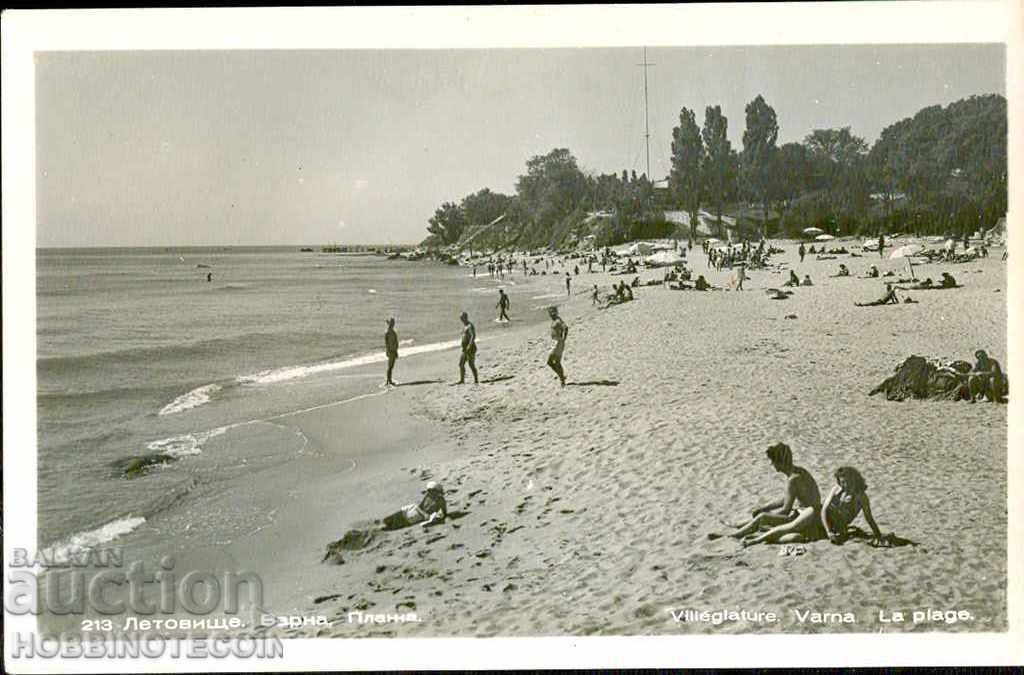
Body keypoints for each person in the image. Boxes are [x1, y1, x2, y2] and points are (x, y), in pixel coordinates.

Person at [708, 443, 823, 547]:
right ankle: (739, 526)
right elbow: (788, 498)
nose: (771, 464)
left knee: (763, 517)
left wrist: (766, 516)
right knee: (763, 515)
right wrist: (765, 508)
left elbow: (785, 510)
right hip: (809, 515)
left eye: (773, 461)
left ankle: (735, 534)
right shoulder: (798, 472)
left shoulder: (793, 479)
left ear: (780, 462)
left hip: (807, 519)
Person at [821, 467, 883, 546]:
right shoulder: (836, 489)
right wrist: (829, 531)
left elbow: (869, 517)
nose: (846, 485)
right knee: (814, 510)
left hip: (837, 524)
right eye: (843, 482)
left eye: (848, 482)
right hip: (824, 520)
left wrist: (878, 534)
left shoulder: (860, 496)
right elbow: (824, 510)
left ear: (855, 480)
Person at [381, 481, 447, 530]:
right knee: (386, 520)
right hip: (413, 510)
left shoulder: (441, 501)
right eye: (429, 490)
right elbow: (420, 505)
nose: (428, 492)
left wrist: (431, 518)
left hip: (416, 516)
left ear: (436, 491)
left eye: (431, 490)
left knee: (391, 526)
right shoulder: (428, 496)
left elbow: (443, 513)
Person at [546, 306, 568, 387]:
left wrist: (563, 338)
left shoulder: (558, 320)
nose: (550, 314)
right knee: (553, 362)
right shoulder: (554, 320)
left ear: (555, 312)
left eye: (551, 312)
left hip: (558, 343)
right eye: (549, 313)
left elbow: (565, 327)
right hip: (555, 342)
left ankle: (562, 378)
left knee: (551, 362)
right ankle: (562, 378)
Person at [457, 311, 479, 385]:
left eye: (462, 317)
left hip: (470, 348)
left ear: (466, 317)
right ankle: (462, 380)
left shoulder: (470, 325)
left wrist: (469, 345)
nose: (461, 319)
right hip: (464, 349)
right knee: (461, 364)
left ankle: (476, 380)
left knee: (471, 364)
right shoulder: (464, 326)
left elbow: (473, 335)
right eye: (460, 318)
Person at [384, 318, 399, 386]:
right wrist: (388, 351)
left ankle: (388, 380)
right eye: (392, 323)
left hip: (393, 350)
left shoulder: (391, 331)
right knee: (390, 366)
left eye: (393, 323)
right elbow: (386, 343)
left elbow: (395, 342)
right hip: (391, 351)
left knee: (391, 366)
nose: (393, 324)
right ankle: (388, 381)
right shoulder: (388, 332)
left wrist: (396, 350)